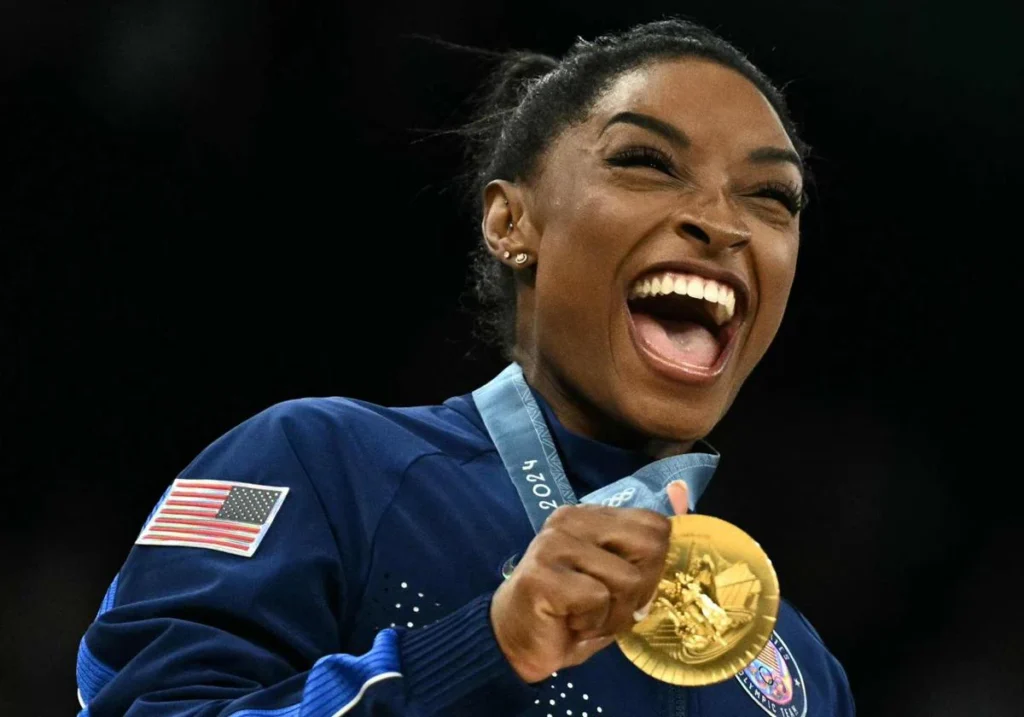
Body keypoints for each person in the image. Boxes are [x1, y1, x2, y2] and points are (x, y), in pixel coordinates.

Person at [76, 19, 854, 717]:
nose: (721, 223)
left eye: (771, 197)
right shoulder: (321, 465)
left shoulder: (798, 667)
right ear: (511, 222)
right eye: (648, 161)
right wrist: (487, 644)